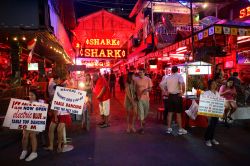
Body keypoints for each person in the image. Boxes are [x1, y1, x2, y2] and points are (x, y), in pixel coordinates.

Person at [165, 66, 187, 135]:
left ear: (171, 70)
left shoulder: (168, 77)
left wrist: (166, 91)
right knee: (178, 113)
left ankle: (168, 128)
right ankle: (180, 129)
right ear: (178, 70)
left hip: (170, 96)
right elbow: (183, 84)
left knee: (170, 112)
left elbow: (162, 85)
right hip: (177, 96)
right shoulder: (179, 76)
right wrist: (183, 92)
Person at [19, 90, 39, 161]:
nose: (30, 97)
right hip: (27, 122)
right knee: (24, 136)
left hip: (35, 123)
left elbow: (41, 115)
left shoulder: (40, 104)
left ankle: (34, 153)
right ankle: (24, 151)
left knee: (32, 136)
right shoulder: (26, 103)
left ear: (36, 96)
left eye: (32, 95)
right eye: (29, 95)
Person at [133, 68, 152, 134]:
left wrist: (147, 90)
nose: (140, 73)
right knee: (141, 112)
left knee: (146, 111)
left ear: (144, 72)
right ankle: (142, 128)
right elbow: (134, 88)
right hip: (139, 98)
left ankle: (143, 119)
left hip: (146, 98)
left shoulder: (148, 79)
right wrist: (135, 96)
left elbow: (150, 88)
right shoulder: (136, 79)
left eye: (141, 72)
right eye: (139, 72)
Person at [204, 79, 220, 147]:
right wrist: (207, 115)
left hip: (216, 112)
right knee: (210, 126)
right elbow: (204, 103)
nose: (214, 85)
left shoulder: (217, 93)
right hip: (209, 112)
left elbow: (219, 102)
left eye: (215, 83)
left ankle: (212, 138)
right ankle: (207, 139)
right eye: (212, 84)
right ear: (210, 85)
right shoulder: (206, 93)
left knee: (214, 126)